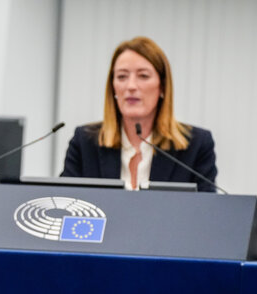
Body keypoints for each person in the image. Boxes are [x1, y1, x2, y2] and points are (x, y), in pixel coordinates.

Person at [61, 36, 218, 192]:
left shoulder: (196, 145)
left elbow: (206, 212)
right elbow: (64, 203)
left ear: (162, 86)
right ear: (113, 87)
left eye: (143, 76)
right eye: (122, 76)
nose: (131, 86)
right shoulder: (85, 142)